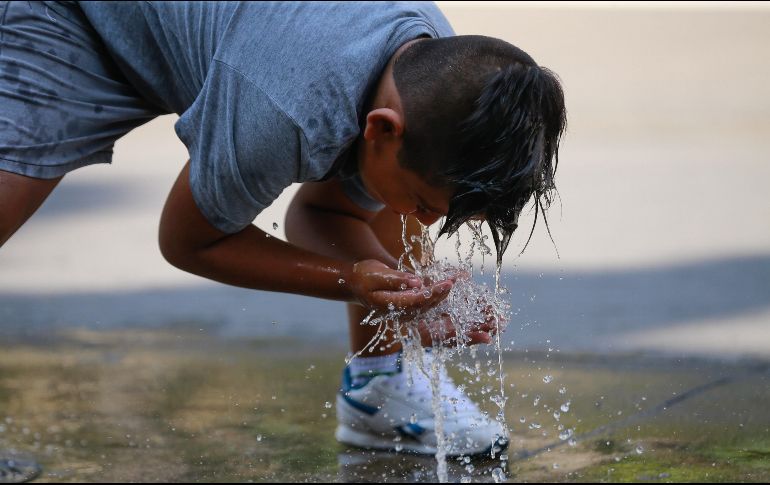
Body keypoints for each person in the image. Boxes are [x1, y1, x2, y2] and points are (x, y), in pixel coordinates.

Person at [0, 2, 566, 457]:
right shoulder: (286, 109)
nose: (425, 225)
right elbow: (189, 241)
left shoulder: (435, 69)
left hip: (243, 41)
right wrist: (349, 281)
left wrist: (400, 292)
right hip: (78, 18)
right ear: (380, 129)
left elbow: (326, 213)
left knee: (396, 189)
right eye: (425, 205)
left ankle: (380, 387)